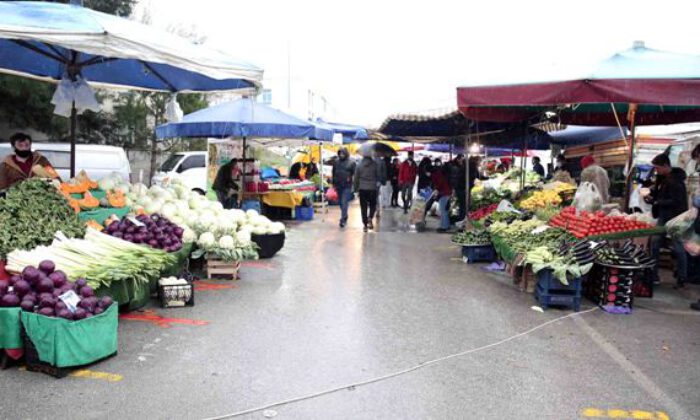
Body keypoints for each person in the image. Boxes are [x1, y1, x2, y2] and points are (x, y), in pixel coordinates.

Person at [646, 153, 688, 288]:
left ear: (665, 166)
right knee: (655, 244)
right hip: (664, 215)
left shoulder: (676, 181)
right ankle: (653, 275)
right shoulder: (663, 178)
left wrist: (657, 201)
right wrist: (651, 195)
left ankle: (682, 277)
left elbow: (677, 201)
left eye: (657, 168)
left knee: (678, 247)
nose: (656, 170)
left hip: (674, 218)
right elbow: (660, 194)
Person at [354, 153, 380, 232]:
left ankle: (365, 225)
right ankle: (370, 217)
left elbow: (356, 178)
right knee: (373, 205)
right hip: (372, 188)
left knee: (363, 207)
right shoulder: (375, 164)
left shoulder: (359, 165)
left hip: (362, 188)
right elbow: (378, 175)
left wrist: (356, 189)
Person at [332, 147, 356, 228]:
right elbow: (333, 172)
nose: (341, 155)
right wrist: (333, 183)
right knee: (341, 203)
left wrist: (353, 184)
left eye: (343, 153)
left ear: (346, 153)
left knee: (344, 202)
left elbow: (354, 174)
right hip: (338, 185)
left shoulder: (351, 162)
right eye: (340, 153)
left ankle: (343, 220)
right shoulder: (336, 162)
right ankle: (345, 215)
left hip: (347, 185)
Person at [431, 159, 453, 232]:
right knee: (445, 210)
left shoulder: (438, 174)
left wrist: (436, 190)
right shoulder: (445, 173)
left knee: (443, 210)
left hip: (444, 193)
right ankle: (446, 225)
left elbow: (439, 183)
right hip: (448, 192)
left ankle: (444, 227)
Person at [450, 154, 467, 222]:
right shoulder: (456, 168)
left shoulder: (459, 167)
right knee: (461, 205)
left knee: (460, 205)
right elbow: (455, 179)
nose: (462, 161)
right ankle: (460, 219)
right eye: (461, 159)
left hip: (458, 188)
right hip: (459, 188)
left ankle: (459, 219)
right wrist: (454, 188)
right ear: (458, 159)